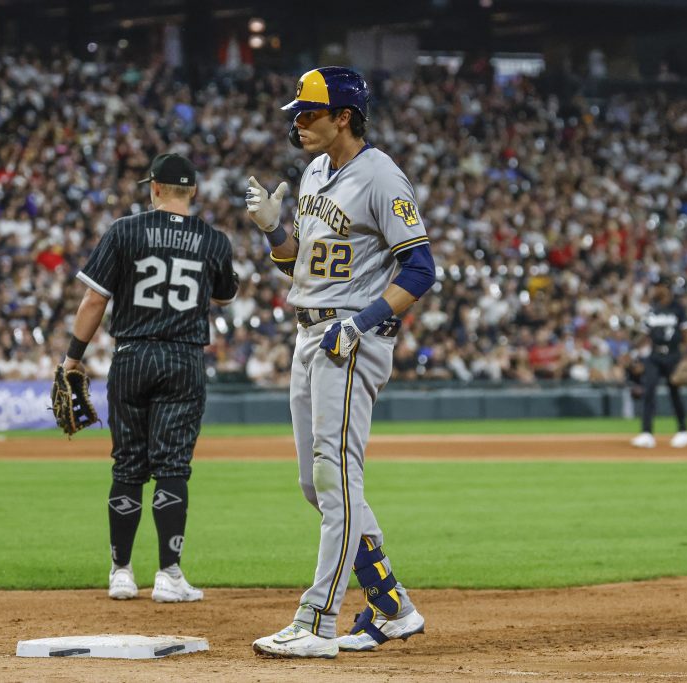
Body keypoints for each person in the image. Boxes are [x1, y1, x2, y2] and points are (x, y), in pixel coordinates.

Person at [245, 67, 435, 658]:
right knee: (316, 484)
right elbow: (301, 266)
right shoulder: (314, 172)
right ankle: (392, 605)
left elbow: (421, 268)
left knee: (335, 477)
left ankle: (318, 619)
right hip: (310, 331)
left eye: (309, 113)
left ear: (344, 117)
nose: (298, 123)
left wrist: (361, 323)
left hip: (351, 334)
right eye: (297, 114)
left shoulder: (380, 176)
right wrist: (275, 232)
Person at [61, 153, 240, 602]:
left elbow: (93, 303)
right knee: (172, 467)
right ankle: (169, 575)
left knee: (127, 466)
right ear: (193, 192)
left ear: (154, 187)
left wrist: (72, 359)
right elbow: (224, 295)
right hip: (182, 359)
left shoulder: (124, 230)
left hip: (132, 355)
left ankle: (121, 572)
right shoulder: (213, 239)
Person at [631, 277, 687, 448]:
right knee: (648, 391)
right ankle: (646, 433)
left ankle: (683, 431)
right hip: (655, 355)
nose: (655, 290)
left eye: (658, 286)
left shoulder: (678, 309)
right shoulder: (653, 309)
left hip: (673, 355)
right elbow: (644, 334)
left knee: (674, 393)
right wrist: (632, 350)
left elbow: (686, 333)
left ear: (666, 288)